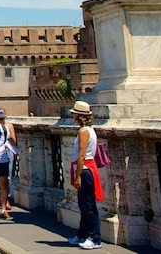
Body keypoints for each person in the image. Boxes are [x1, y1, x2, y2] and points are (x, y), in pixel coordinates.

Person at [69, 101, 104, 249]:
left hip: (85, 169)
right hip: (87, 169)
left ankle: (95, 238)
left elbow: (82, 155)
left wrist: (77, 176)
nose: (73, 115)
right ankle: (82, 234)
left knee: (88, 205)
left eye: (74, 113)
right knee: (84, 204)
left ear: (79, 115)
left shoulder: (83, 131)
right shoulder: (90, 130)